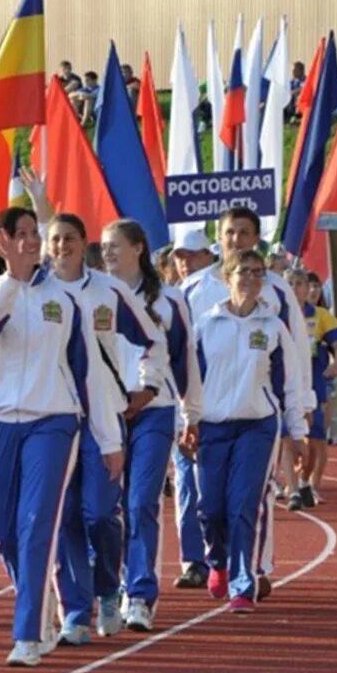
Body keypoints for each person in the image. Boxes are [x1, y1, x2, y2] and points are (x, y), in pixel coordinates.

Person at [0, 207, 123, 667]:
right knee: (5, 529)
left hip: (52, 420)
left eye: (37, 234)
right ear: (3, 241)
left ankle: (28, 634)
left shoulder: (67, 301)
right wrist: (11, 281)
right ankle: (46, 604)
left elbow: (87, 374)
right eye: (24, 235)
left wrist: (108, 439)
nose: (33, 242)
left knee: (37, 523)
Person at [43, 213, 166, 644]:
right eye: (54, 239)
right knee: (65, 517)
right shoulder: (37, 291)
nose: (62, 247)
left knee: (98, 512)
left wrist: (147, 386)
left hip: (103, 419)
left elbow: (153, 339)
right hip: (53, 419)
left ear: (84, 243)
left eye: (70, 239)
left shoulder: (109, 291)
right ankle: (76, 610)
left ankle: (108, 588)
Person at [191, 248, 308, 612]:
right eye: (244, 271)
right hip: (211, 426)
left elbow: (290, 383)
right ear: (228, 277)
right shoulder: (206, 325)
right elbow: (189, 381)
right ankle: (219, 563)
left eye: (258, 272)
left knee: (245, 504)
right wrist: (187, 421)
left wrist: (298, 430)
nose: (252, 278)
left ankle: (244, 584)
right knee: (210, 507)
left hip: (256, 426)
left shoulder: (272, 327)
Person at [100, 219, 202, 631]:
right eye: (103, 246)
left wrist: (191, 414)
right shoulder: (93, 296)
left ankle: (140, 593)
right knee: (104, 510)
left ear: (138, 248)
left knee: (142, 502)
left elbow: (186, 361)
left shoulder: (169, 301)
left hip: (154, 412)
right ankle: (110, 587)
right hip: (104, 413)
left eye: (115, 246)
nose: (107, 253)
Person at [295, 271, 337, 505]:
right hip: (285, 385)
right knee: (286, 440)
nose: (307, 290)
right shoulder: (277, 314)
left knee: (316, 438)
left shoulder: (320, 316)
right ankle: (287, 484)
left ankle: (307, 483)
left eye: (305, 284)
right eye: (295, 284)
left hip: (314, 385)